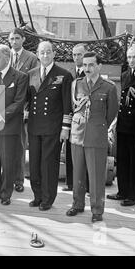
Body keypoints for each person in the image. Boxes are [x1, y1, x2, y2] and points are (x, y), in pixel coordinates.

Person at [66, 52, 118, 223]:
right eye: (85, 65)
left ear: (99, 66)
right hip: (77, 134)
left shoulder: (108, 87)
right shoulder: (77, 84)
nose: (87, 68)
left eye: (91, 65)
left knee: (96, 176)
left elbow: (111, 114)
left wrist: (97, 126)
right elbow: (73, 107)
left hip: (96, 136)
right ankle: (77, 204)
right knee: (77, 173)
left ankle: (97, 210)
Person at [27, 41, 73, 211]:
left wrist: (65, 128)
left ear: (54, 54)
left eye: (48, 52)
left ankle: (47, 199)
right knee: (34, 164)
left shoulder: (63, 75)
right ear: (37, 54)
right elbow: (26, 100)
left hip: (53, 128)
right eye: (42, 52)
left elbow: (67, 104)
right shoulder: (31, 74)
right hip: (34, 126)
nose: (45, 55)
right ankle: (37, 196)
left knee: (48, 165)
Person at [0, 44, 28, 205]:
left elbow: (19, 102)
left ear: (7, 58)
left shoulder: (20, 77)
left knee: (8, 161)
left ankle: (5, 193)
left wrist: (0, 116)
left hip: (8, 126)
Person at [107, 45, 135, 206]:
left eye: (134, 57)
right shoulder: (125, 74)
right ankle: (122, 191)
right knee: (123, 159)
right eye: (129, 57)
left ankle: (133, 195)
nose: (131, 60)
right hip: (123, 124)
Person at [8, 27, 38, 193]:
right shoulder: (4, 55)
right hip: (5, 108)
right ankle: (6, 177)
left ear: (23, 40)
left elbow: (33, 86)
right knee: (5, 145)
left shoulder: (32, 58)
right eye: (12, 39)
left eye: (17, 38)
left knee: (19, 145)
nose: (14, 42)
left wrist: (27, 108)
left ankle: (18, 180)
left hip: (22, 109)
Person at [63, 43, 87, 191]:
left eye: (80, 54)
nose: (76, 57)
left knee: (84, 153)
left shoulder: (89, 73)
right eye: (74, 55)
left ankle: (86, 185)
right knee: (70, 151)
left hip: (84, 119)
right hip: (70, 117)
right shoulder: (69, 74)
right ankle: (70, 183)